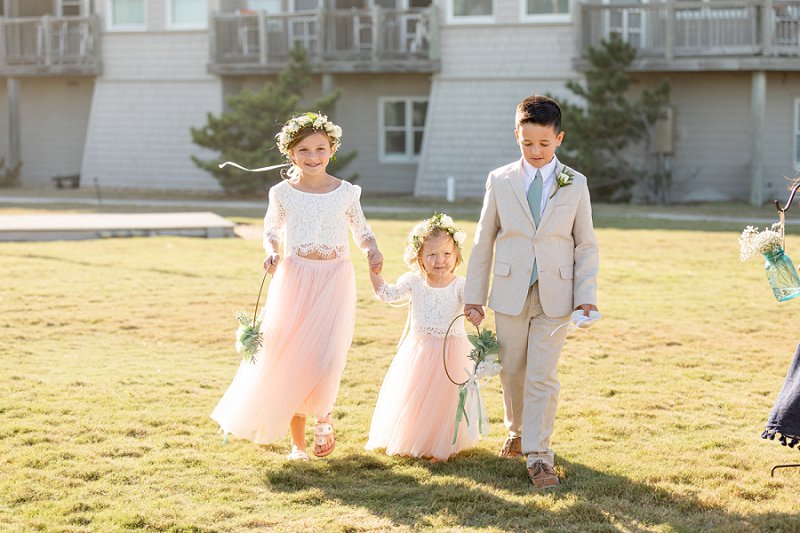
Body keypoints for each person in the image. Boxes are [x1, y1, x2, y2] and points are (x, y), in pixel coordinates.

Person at [211, 112, 383, 461]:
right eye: (304, 150)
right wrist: (272, 252)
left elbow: (361, 230)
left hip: (334, 279)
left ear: (332, 150)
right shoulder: (282, 193)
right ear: (291, 154)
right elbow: (271, 231)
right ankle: (298, 444)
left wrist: (372, 250)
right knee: (291, 359)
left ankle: (324, 415)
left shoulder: (346, 192)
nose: (313, 156)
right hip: (295, 279)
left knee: (327, 358)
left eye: (320, 148)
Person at [463, 95, 599, 488]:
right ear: (516, 137)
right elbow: (483, 240)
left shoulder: (575, 183)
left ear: (559, 138)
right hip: (508, 291)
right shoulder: (500, 180)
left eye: (543, 143)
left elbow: (586, 244)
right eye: (527, 144)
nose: (535, 151)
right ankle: (517, 429)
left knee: (542, 374)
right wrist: (474, 295)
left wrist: (586, 295)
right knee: (512, 370)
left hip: (556, 294)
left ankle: (539, 455)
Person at [365, 213, 481, 462]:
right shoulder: (414, 282)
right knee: (414, 395)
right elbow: (387, 293)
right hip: (419, 349)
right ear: (419, 257)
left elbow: (472, 306)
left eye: (446, 254)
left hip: (451, 351)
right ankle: (414, 437)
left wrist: (474, 313)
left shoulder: (460, 284)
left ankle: (442, 444)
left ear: (456, 255)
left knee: (446, 400)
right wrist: (375, 273)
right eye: (432, 255)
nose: (440, 261)